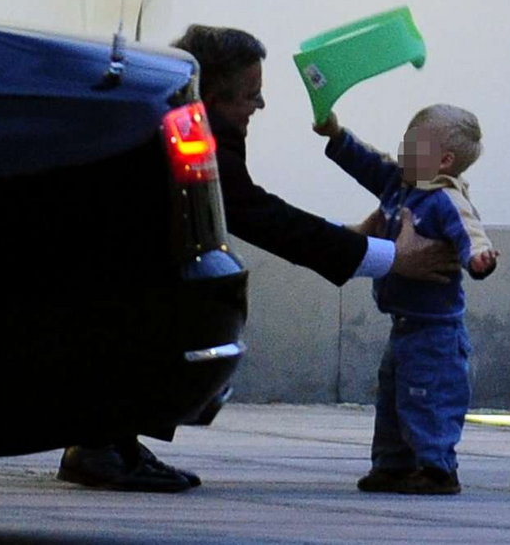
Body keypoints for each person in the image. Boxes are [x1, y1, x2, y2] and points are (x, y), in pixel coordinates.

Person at [56, 26, 462, 493]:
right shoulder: (184, 127)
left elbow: (256, 210)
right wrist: (390, 256)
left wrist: (353, 240)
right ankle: (99, 444)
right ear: (210, 96)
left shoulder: (178, 118)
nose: (260, 106)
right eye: (250, 95)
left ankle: (109, 439)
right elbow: (260, 214)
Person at [312, 103, 499, 495]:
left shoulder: (446, 199)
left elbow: (470, 232)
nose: (401, 152)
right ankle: (391, 465)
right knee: (393, 398)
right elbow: (368, 163)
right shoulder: (400, 185)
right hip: (403, 324)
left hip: (437, 331)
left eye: (413, 146)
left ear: (444, 160)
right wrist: (335, 134)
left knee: (428, 398)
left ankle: (437, 468)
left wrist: (478, 257)